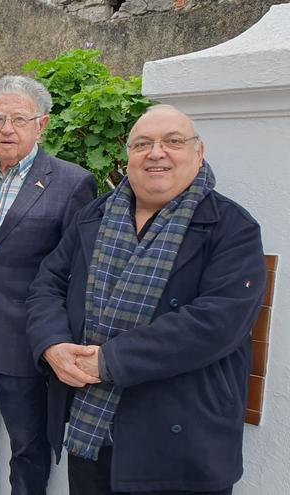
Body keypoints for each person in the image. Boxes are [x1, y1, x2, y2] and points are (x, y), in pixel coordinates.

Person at [27, 105, 266, 494]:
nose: (156, 153)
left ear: (198, 152)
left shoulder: (232, 228)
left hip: (179, 444)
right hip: (92, 432)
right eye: (142, 144)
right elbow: (47, 285)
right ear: (129, 157)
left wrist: (110, 361)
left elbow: (216, 323)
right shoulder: (93, 216)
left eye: (173, 141)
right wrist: (52, 344)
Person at [0, 75, 97, 495]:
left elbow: (74, 273)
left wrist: (60, 337)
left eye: (19, 119)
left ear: (40, 125)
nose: (7, 128)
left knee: (28, 446)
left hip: (27, 340)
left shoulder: (72, 183)